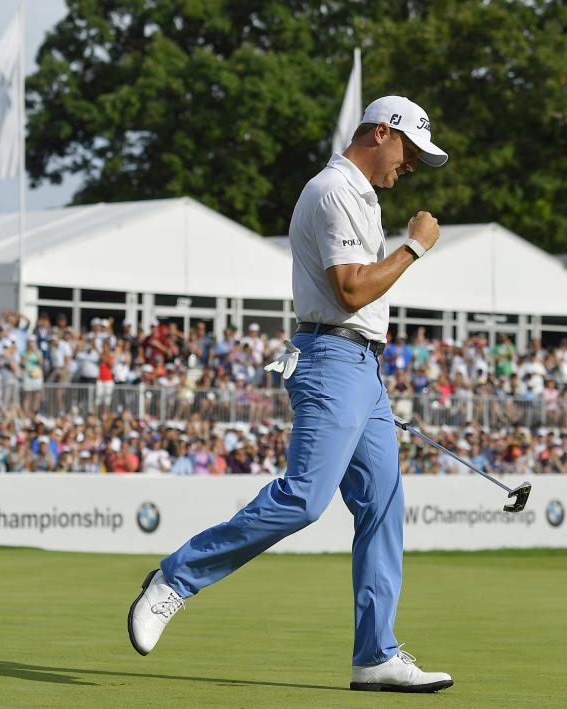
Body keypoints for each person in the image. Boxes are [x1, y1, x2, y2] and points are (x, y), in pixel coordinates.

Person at [128, 95, 452, 693]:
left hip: (362, 366)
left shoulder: (363, 197)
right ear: (380, 132)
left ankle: (375, 655)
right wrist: (415, 248)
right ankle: (176, 579)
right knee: (304, 498)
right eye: (408, 151)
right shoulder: (332, 190)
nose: (409, 166)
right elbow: (351, 290)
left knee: (383, 504)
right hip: (332, 358)